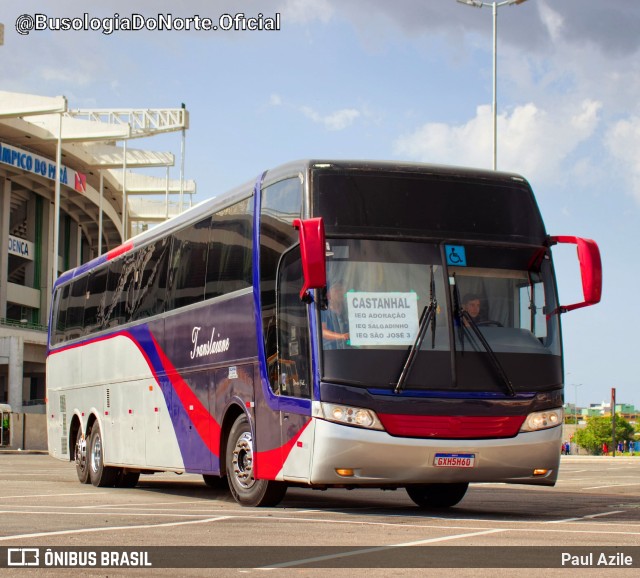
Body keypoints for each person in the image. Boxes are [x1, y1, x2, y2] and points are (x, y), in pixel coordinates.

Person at [322, 280, 349, 348]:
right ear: (328, 295)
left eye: (342, 289)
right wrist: (342, 336)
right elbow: (323, 332)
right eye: (337, 290)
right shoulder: (324, 311)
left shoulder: (346, 309)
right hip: (331, 350)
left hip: (348, 348)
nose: (341, 292)